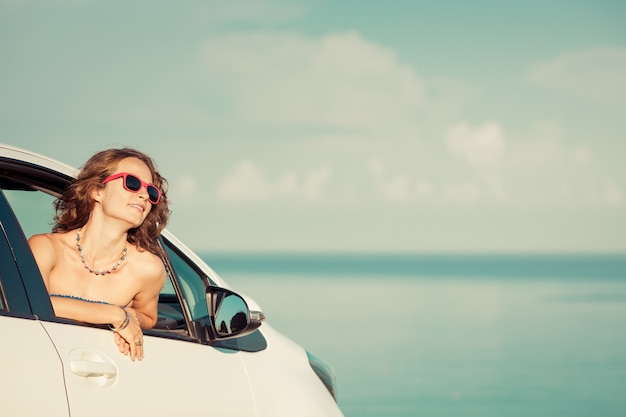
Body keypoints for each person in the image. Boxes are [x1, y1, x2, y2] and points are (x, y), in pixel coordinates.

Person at [28, 148, 170, 361]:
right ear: (97, 190)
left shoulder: (147, 268)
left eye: (151, 192)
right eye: (131, 183)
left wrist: (132, 317)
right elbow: (28, 304)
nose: (143, 195)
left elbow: (148, 317)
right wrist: (116, 315)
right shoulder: (46, 249)